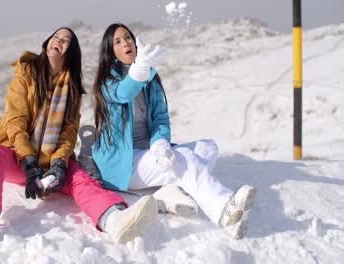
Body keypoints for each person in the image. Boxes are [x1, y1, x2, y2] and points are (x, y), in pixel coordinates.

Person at [0, 27, 157, 244]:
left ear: (70, 52)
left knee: (80, 179)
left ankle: (113, 218)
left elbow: (69, 132)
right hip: (21, 159)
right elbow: (15, 120)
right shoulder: (25, 74)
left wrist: (59, 164)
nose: (58, 42)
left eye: (65, 41)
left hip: (51, 164)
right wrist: (28, 161)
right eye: (56, 37)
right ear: (47, 42)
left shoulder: (71, 88)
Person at [91, 23, 257, 239]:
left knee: (207, 147)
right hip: (122, 163)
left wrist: (160, 145)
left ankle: (171, 190)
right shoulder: (108, 81)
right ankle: (223, 210)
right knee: (184, 158)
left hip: (147, 154)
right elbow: (124, 92)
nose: (126, 43)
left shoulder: (150, 79)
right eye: (118, 41)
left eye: (128, 37)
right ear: (110, 51)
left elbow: (160, 119)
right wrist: (141, 66)